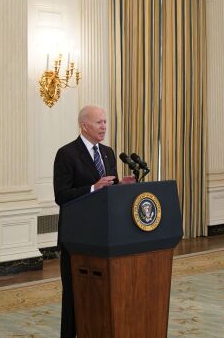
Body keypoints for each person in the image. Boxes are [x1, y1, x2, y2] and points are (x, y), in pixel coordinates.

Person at [53, 105, 134, 338]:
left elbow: (109, 192)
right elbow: (61, 196)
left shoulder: (108, 152)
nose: (104, 127)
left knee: (101, 293)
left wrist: (122, 185)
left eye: (105, 122)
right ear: (84, 125)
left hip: (104, 237)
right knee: (74, 294)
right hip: (76, 238)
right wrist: (92, 187)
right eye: (99, 122)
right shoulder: (66, 154)